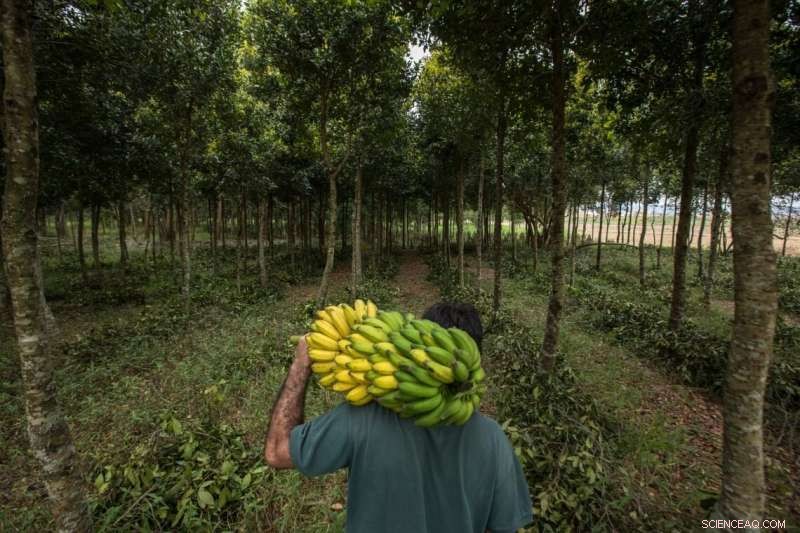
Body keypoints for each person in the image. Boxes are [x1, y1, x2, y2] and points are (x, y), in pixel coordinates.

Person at [264, 301, 533, 533]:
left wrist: (300, 366)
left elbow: (278, 451)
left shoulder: (362, 417)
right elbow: (502, 527)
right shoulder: (494, 439)